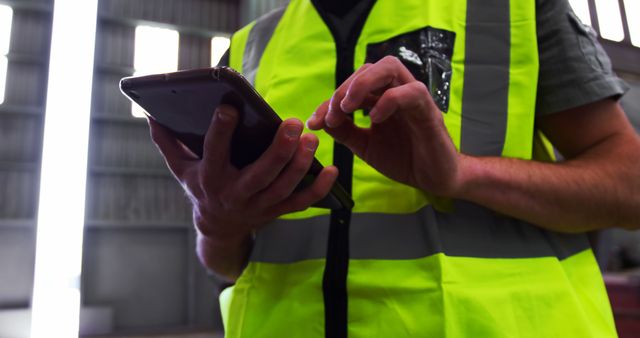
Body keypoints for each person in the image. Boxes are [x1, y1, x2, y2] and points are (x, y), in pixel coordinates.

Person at [148, 0, 640, 337]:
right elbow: (230, 263)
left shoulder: (510, 10)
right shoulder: (251, 46)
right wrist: (217, 223)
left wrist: (463, 174)